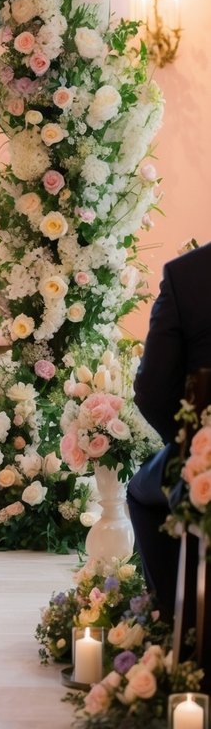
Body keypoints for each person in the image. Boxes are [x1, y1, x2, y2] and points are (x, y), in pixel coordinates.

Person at [128, 242, 211, 619]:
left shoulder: (188, 273)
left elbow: (152, 389)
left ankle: (180, 626)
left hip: (207, 460)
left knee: (142, 491)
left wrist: (190, 450)